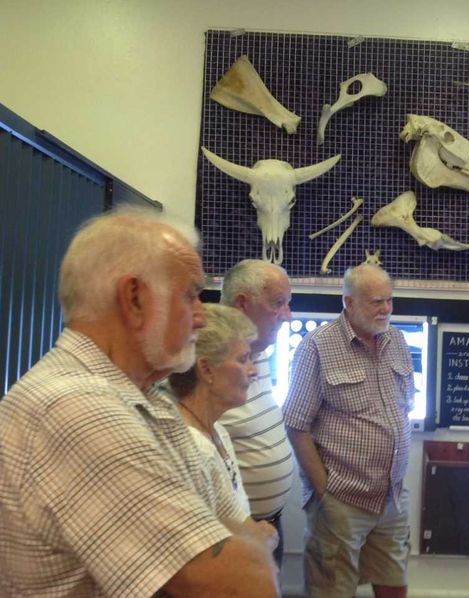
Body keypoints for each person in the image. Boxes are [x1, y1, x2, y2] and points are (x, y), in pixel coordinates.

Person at [0, 208, 280, 597]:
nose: (201, 317)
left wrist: (238, 543)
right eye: (189, 296)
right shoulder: (77, 409)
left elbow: (229, 527)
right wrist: (250, 548)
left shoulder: (147, 399)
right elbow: (242, 582)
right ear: (133, 298)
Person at [283, 263, 414, 598]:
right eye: (375, 301)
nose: (385, 309)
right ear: (349, 302)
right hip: (341, 499)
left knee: (394, 584)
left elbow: (403, 407)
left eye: (389, 300)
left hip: (392, 497)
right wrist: (324, 491)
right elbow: (296, 424)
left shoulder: (398, 341)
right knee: (333, 590)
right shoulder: (317, 346)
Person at [218, 259, 295, 567]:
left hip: (268, 525)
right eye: (278, 304)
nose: (288, 316)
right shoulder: (209, 363)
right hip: (233, 534)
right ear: (242, 305)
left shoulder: (259, 351)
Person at [169, 303, 259, 515]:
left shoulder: (218, 431)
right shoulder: (191, 446)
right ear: (206, 369)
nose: (253, 371)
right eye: (243, 359)